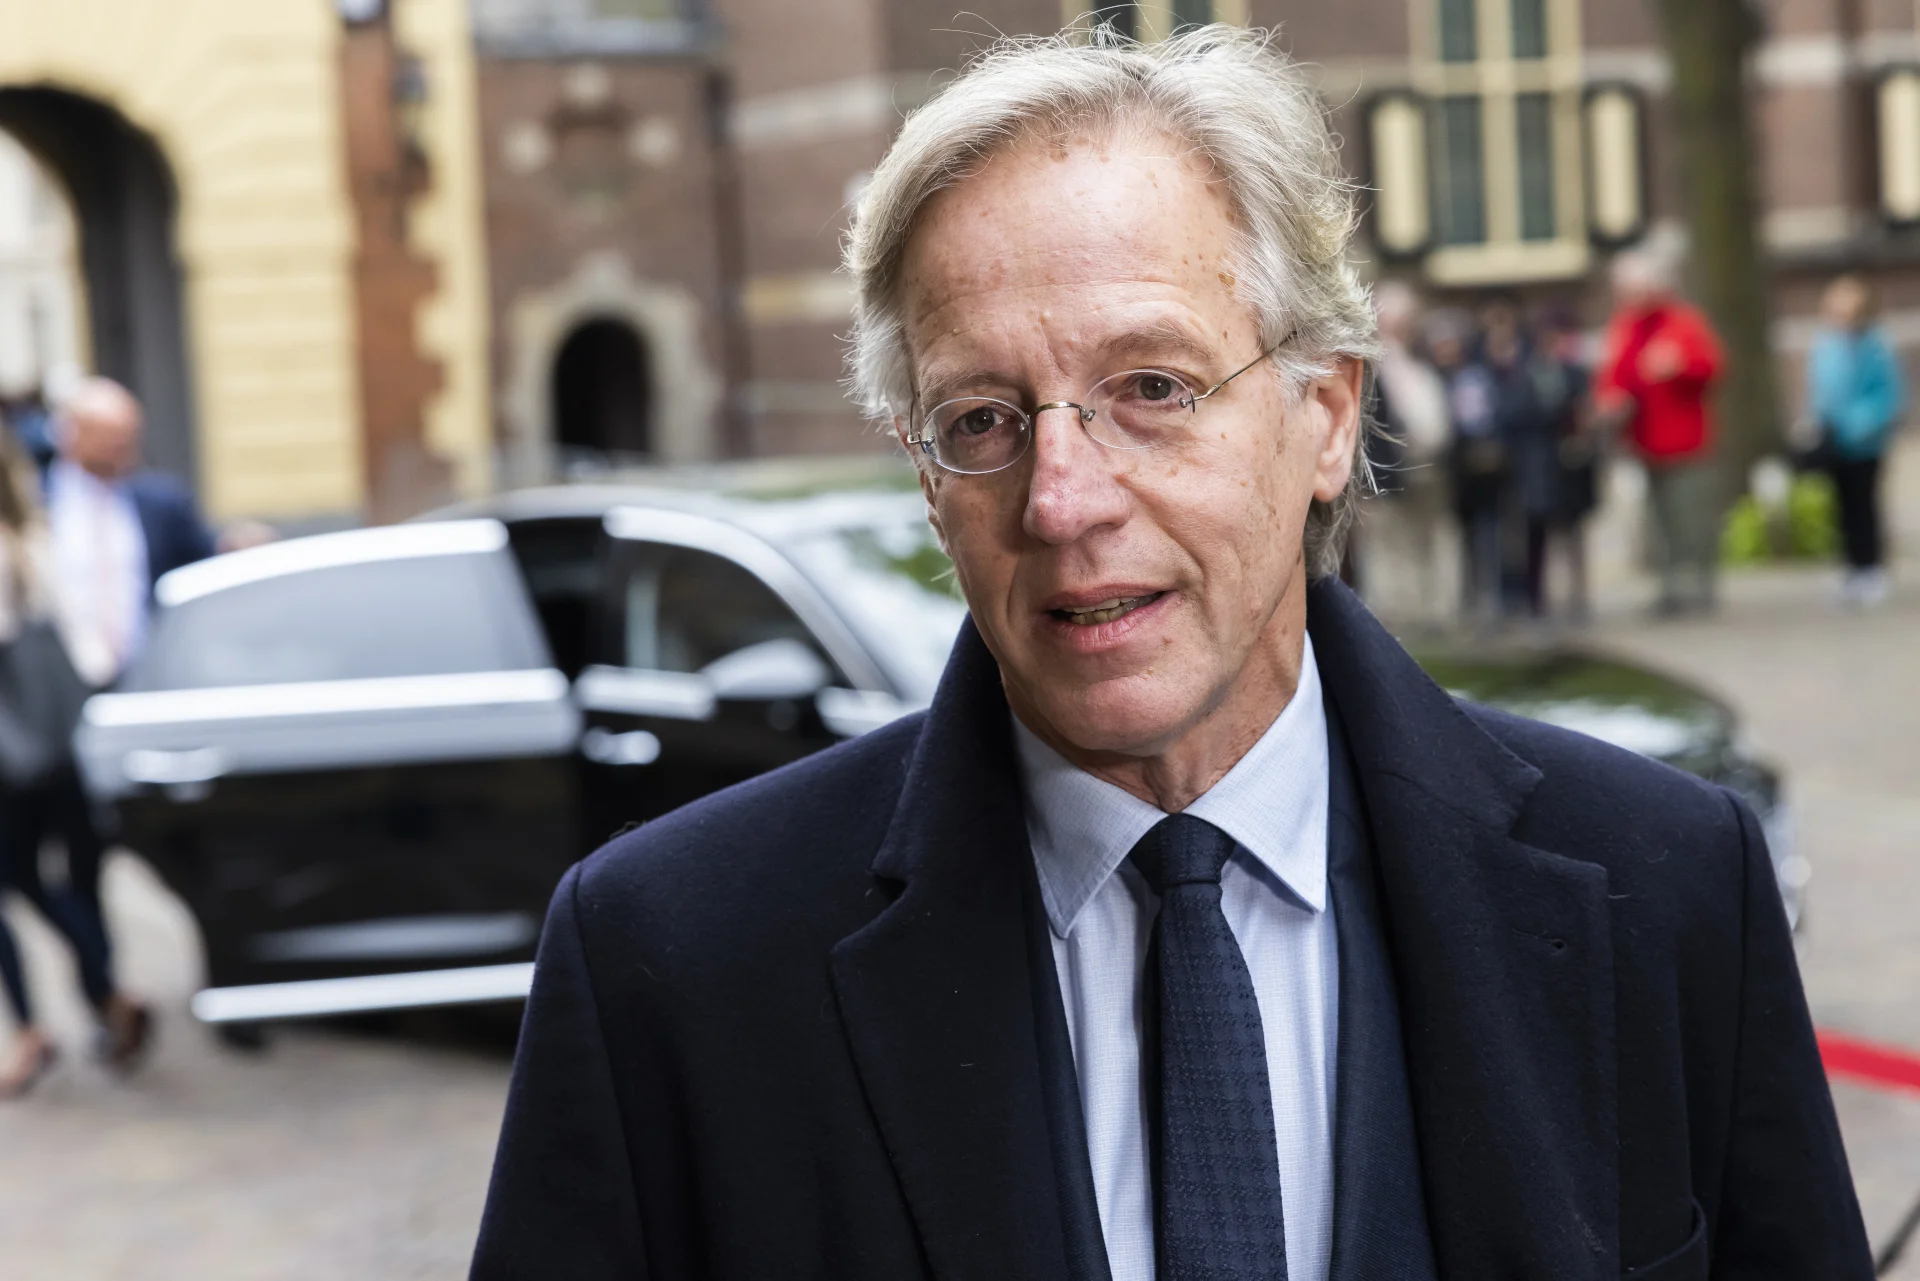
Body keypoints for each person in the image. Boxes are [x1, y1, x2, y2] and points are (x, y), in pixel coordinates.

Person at [473, 28, 1871, 1280]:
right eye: (982, 419)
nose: (1063, 499)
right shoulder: (672, 965)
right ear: (928, 479)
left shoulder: (1667, 887)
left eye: (1152, 386)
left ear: (1326, 418)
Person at [0, 430, 151, 1096]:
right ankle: (106, 991)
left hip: (11, 756)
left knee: (20, 883)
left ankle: (37, 1029)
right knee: (52, 879)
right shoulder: (38, 539)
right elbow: (83, 648)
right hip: (57, 745)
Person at [44, 377, 215, 686]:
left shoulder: (162, 503)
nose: (119, 447)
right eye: (107, 436)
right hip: (60, 679)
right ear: (71, 434)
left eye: (127, 436)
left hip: (148, 673)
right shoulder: (37, 502)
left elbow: (201, 566)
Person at [1597, 251, 1725, 616]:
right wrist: (1610, 398)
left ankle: (1700, 586)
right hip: (1644, 441)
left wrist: (1679, 365)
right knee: (1659, 522)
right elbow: (1614, 375)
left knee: (1691, 517)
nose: (1630, 297)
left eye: (1635, 289)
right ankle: (1669, 589)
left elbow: (1713, 367)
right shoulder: (1624, 327)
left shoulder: (1684, 323)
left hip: (1685, 441)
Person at [1806, 274, 1905, 606]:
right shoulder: (1827, 345)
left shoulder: (1876, 347)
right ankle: (1852, 568)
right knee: (1842, 508)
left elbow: (1889, 395)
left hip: (1866, 441)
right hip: (1834, 441)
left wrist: (1859, 423)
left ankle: (1872, 569)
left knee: (1865, 506)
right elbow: (1821, 392)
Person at [1361, 281, 1454, 627]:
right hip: (1387, 475)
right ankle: (1395, 618)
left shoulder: (1421, 361)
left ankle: (1428, 611)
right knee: (1389, 549)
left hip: (1427, 471)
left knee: (1426, 542)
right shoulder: (1372, 364)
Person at [1428, 309, 1505, 623]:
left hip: (1480, 469)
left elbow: (1483, 418)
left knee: (1487, 532)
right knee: (1458, 536)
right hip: (1450, 471)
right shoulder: (1432, 377)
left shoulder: (1475, 376)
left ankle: (1489, 596)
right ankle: (1464, 597)